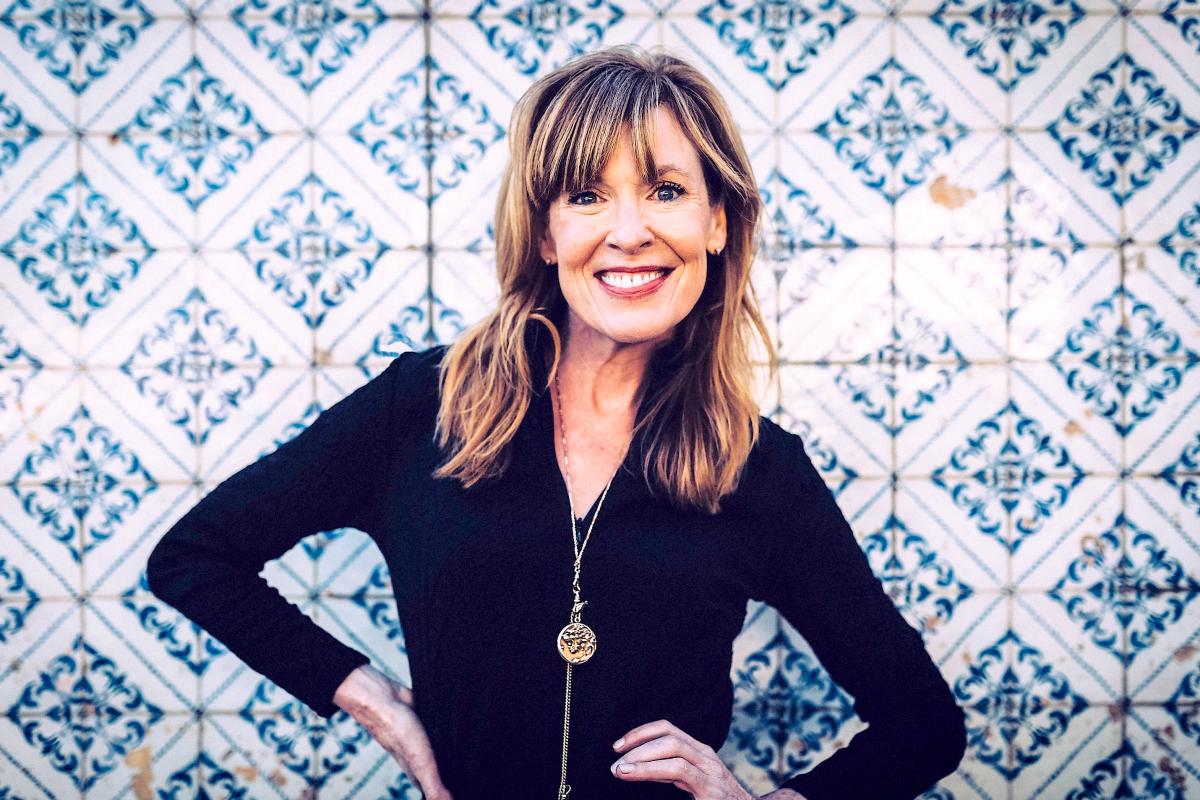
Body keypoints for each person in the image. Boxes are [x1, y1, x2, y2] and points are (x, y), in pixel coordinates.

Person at [146, 44, 966, 800]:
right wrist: (371, 699)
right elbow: (194, 557)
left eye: (668, 191)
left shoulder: (756, 467)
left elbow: (924, 724)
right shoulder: (420, 407)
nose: (629, 231)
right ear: (544, 231)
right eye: (586, 196)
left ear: (718, 222)